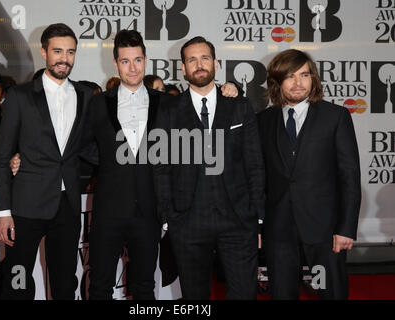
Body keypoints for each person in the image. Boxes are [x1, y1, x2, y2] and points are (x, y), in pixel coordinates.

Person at [84, 30, 238, 300]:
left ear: (146, 60)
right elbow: (81, 145)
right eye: (125, 61)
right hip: (108, 209)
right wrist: (110, 161)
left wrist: (232, 90)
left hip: (150, 210)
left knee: (145, 286)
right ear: (115, 63)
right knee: (100, 285)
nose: (133, 68)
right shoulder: (97, 104)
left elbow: (207, 103)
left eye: (138, 60)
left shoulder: (169, 103)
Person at [154, 36, 265, 299]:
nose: (199, 64)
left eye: (205, 58)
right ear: (183, 68)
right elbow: (161, 167)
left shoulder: (238, 105)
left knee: (244, 294)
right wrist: (169, 218)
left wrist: (256, 217)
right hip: (188, 221)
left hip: (238, 220)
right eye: (192, 59)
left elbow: (255, 163)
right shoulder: (169, 110)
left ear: (215, 63)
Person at [0, 23, 94, 300]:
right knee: (17, 280)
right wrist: (3, 213)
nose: (64, 58)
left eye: (70, 52)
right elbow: (2, 157)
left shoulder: (86, 96)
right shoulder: (20, 96)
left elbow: (89, 147)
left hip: (68, 205)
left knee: (65, 282)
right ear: (44, 52)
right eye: (58, 51)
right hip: (26, 206)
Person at [257, 49, 361, 300]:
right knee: (282, 293)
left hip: (325, 231)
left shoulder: (335, 117)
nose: (298, 82)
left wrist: (346, 228)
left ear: (313, 78)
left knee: (330, 292)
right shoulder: (263, 121)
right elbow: (258, 178)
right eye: (290, 76)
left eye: (305, 75)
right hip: (278, 230)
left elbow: (349, 176)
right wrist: (257, 225)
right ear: (277, 81)